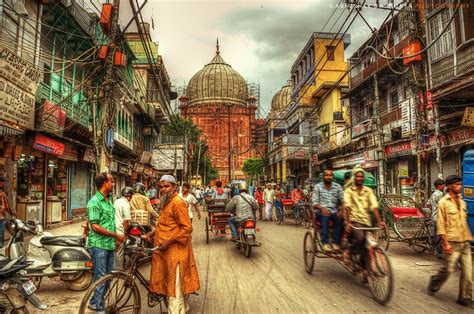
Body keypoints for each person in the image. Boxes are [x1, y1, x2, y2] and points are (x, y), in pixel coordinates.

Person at [147, 175, 200, 313]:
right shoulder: (166, 202)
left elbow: (187, 228)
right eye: (161, 187)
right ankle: (182, 307)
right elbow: (164, 223)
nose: (163, 189)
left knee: (173, 285)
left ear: (174, 187)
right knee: (170, 283)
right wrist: (151, 234)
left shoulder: (178, 203)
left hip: (175, 251)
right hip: (163, 249)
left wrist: (169, 241)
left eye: (167, 186)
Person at [428, 175, 472, 308]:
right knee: (448, 270)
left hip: (465, 242)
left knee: (468, 273)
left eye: (461, 184)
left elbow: (464, 222)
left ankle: (464, 297)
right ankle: (435, 282)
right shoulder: (443, 203)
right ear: (450, 186)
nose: (461, 186)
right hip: (452, 242)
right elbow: (441, 225)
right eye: (458, 184)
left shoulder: (463, 202)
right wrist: (445, 243)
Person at [87, 173, 124, 312]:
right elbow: (95, 226)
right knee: (101, 279)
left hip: (109, 245)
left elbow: (109, 223)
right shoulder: (94, 202)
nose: (113, 184)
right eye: (111, 181)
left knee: (108, 279)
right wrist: (116, 235)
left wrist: (115, 240)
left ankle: (93, 302)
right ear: (104, 183)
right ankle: (99, 309)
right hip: (98, 246)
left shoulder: (108, 200)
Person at [343, 167, 385, 265]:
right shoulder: (349, 191)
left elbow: (374, 206)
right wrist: (348, 222)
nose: (360, 178)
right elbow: (347, 206)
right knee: (360, 238)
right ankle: (348, 251)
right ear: (354, 177)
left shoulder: (368, 190)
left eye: (361, 176)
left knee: (369, 244)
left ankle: (365, 268)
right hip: (354, 220)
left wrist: (379, 221)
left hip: (366, 221)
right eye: (358, 176)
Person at [312, 169, 344, 252]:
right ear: (323, 177)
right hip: (320, 211)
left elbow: (343, 201)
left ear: (332, 177)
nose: (328, 177)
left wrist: (341, 210)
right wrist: (322, 209)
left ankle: (335, 243)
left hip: (334, 211)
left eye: (330, 175)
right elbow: (315, 203)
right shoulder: (318, 187)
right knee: (325, 216)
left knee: (340, 219)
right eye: (326, 175)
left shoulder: (338, 187)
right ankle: (325, 243)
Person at [114, 187, 133, 270]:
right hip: (120, 228)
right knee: (120, 249)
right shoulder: (126, 204)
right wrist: (125, 232)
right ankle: (118, 269)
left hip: (113, 227)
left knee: (115, 247)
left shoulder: (117, 201)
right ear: (129, 196)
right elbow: (126, 221)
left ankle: (113, 266)